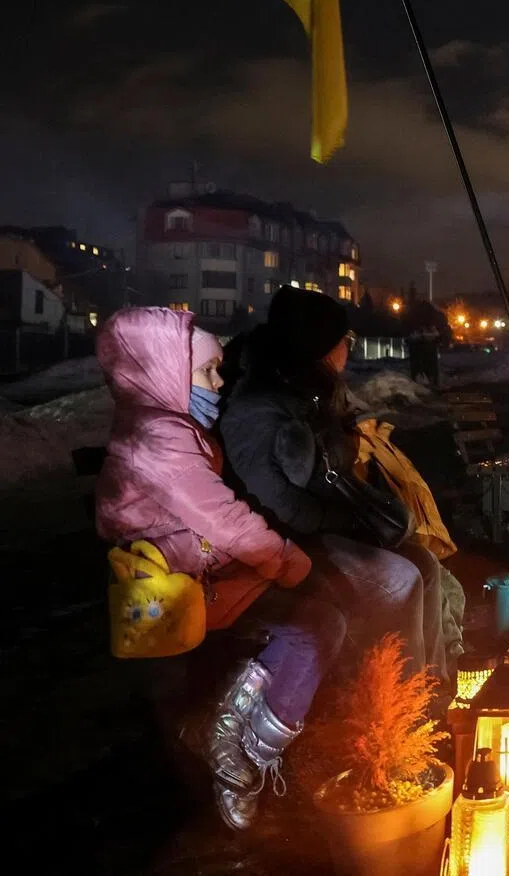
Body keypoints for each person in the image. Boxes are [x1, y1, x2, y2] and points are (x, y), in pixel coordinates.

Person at [94, 307, 345, 831]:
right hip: (174, 591)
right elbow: (222, 518)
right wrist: (285, 559)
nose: (218, 382)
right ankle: (234, 748)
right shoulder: (159, 437)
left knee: (320, 615)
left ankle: (236, 734)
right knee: (315, 626)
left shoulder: (167, 425)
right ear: (165, 371)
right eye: (206, 372)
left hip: (199, 572)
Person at [219, 287, 450, 685]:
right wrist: (349, 521)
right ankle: (390, 700)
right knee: (398, 578)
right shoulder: (260, 407)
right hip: (279, 543)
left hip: (314, 531)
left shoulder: (310, 393)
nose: (349, 347)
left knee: (424, 563)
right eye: (347, 339)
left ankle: (429, 690)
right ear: (322, 346)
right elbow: (277, 505)